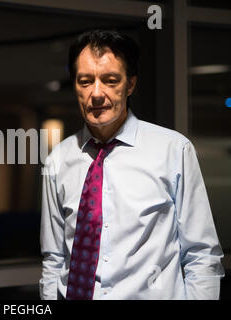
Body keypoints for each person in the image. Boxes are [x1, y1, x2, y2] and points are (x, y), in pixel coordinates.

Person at [39, 30, 224, 300]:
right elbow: (53, 257)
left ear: (130, 85)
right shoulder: (58, 159)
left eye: (110, 80)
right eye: (85, 81)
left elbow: (201, 254)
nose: (97, 94)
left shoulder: (173, 150)